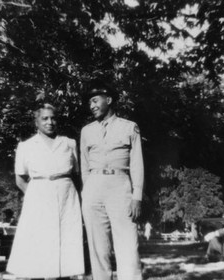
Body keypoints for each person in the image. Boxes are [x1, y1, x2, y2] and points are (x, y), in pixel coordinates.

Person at [7, 103, 84, 279]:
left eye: (53, 118)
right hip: (38, 196)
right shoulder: (26, 146)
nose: (50, 122)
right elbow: (20, 179)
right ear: (36, 122)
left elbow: (77, 174)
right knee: (39, 240)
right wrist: (36, 196)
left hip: (66, 196)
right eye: (45, 118)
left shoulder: (69, 143)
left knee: (66, 238)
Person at [80, 81, 144, 280]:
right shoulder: (86, 131)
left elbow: (137, 164)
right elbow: (83, 165)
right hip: (93, 188)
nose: (92, 106)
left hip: (120, 186)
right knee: (98, 247)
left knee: (127, 243)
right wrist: (86, 192)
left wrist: (137, 196)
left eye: (95, 100)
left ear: (108, 100)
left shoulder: (129, 127)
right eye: (89, 102)